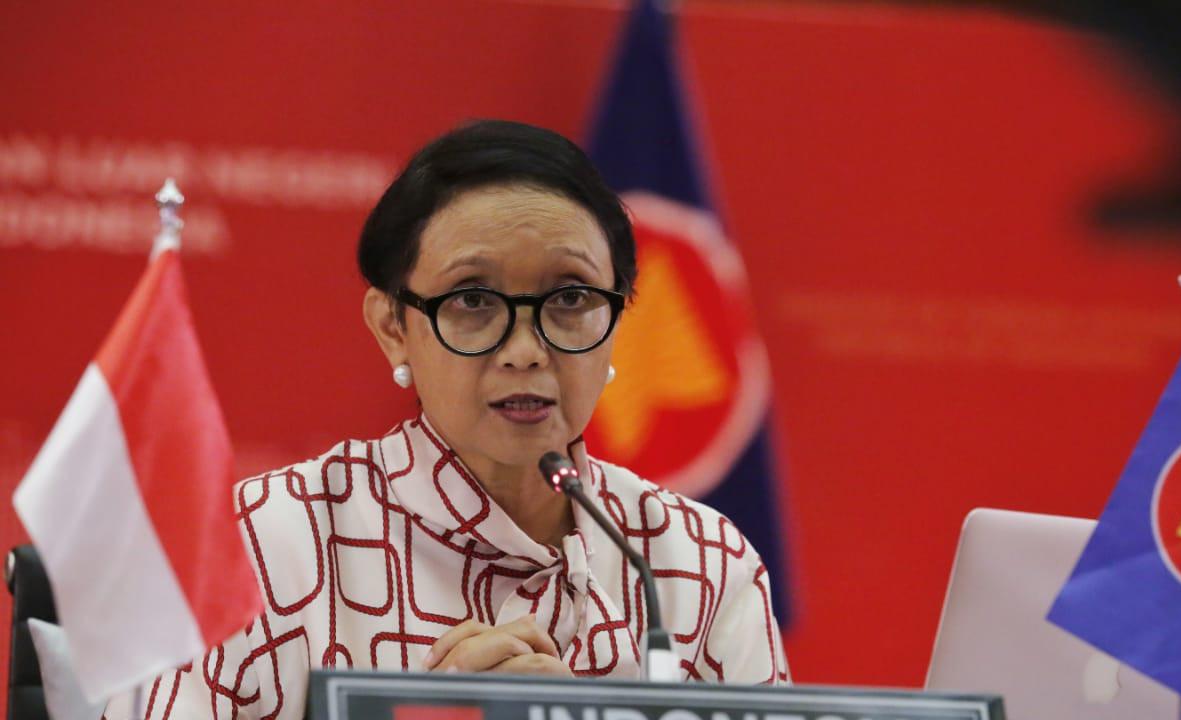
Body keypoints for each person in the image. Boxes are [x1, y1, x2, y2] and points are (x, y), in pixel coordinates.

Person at [106, 120, 788, 720]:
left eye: (571, 297)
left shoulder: (696, 564)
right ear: (393, 327)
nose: (526, 350)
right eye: (473, 300)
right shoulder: (259, 545)